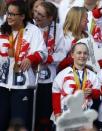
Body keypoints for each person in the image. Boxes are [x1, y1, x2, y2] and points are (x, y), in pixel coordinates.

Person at [0, 1, 47, 131]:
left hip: (22, 85)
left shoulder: (33, 31)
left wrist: (31, 58)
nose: (9, 17)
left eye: (13, 14)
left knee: (19, 124)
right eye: (8, 13)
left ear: (22, 16)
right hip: (2, 84)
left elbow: (43, 53)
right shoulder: (2, 30)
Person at [33, 1, 66, 130]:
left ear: (50, 17)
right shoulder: (30, 27)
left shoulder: (57, 29)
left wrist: (49, 58)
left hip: (49, 77)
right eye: (36, 12)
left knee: (45, 111)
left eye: (41, 15)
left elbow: (62, 52)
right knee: (32, 110)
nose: (36, 16)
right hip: (31, 75)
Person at [52, 42, 100, 120]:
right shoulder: (62, 74)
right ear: (72, 55)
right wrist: (57, 114)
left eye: (85, 53)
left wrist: (92, 92)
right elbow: (56, 94)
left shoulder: (93, 75)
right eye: (79, 53)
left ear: (88, 56)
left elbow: (98, 94)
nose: (82, 56)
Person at [58, 6, 102, 72]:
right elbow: (60, 62)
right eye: (85, 19)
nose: (88, 21)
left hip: (88, 74)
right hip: (71, 74)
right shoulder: (65, 37)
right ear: (77, 20)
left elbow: (93, 55)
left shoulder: (87, 35)